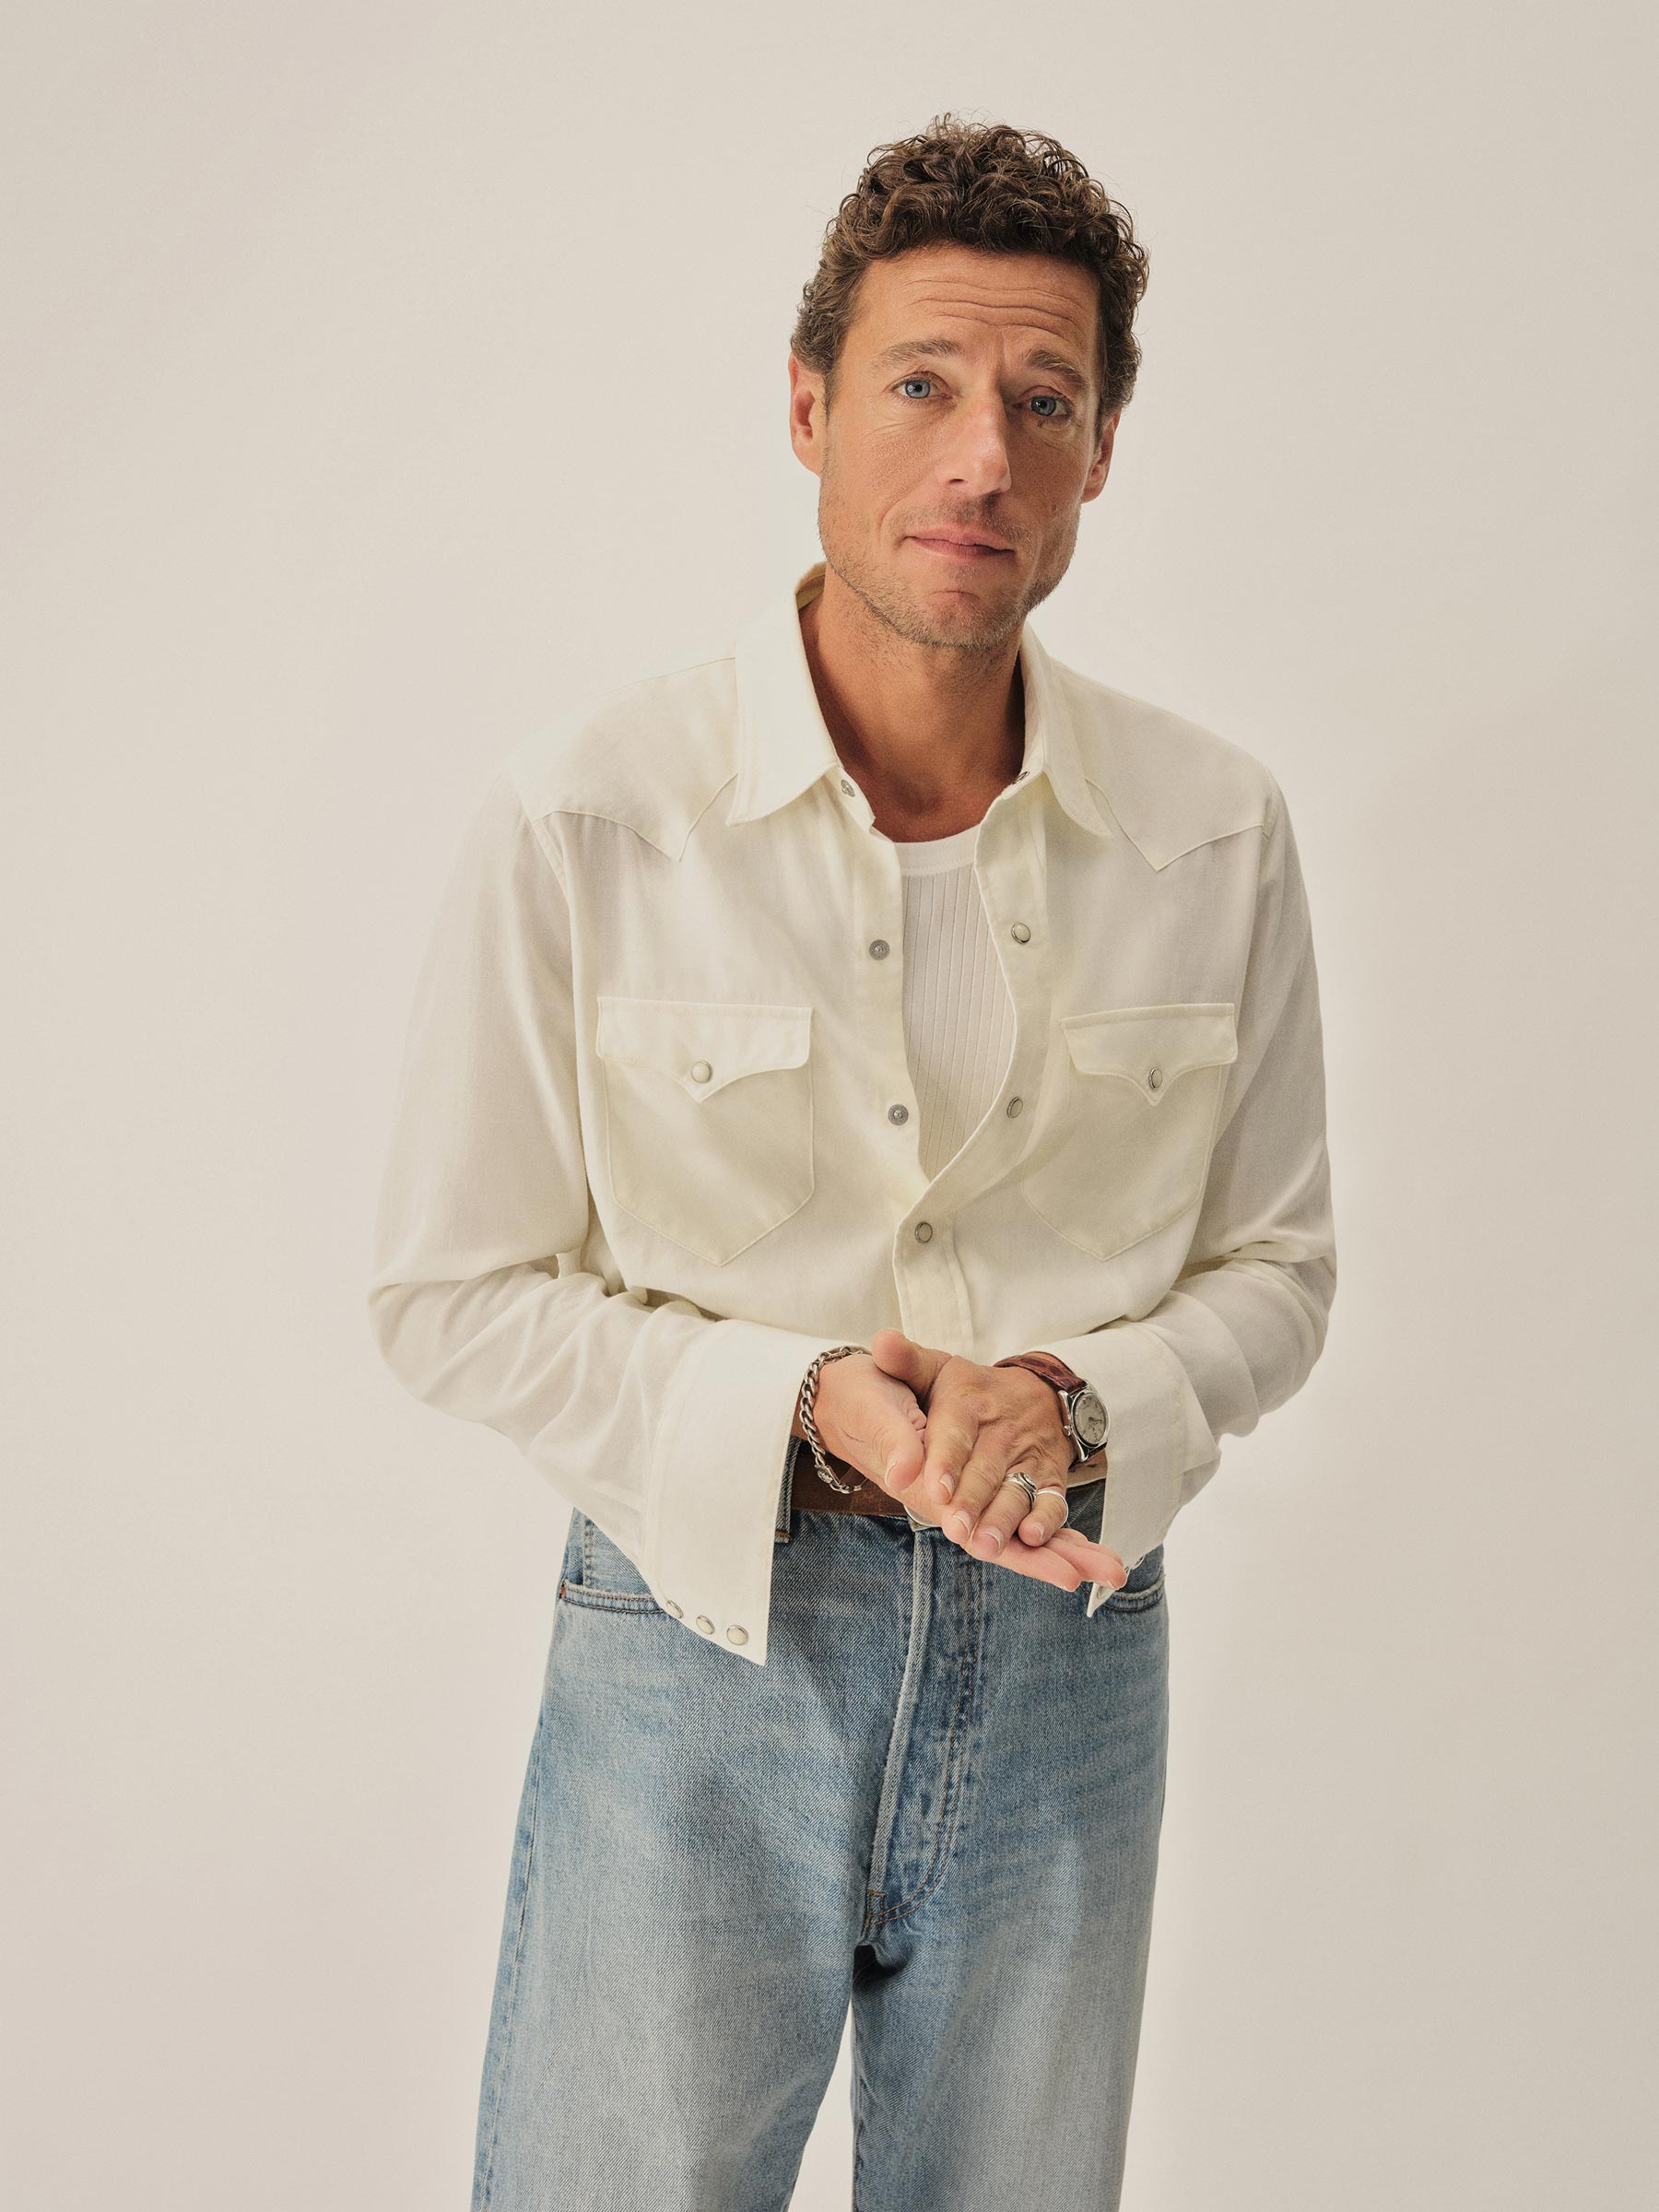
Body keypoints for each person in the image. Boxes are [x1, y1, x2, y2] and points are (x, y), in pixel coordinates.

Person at [367, 111, 1336, 2212]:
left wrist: (1077, 1402)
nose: (982, 455)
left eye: (1043, 401)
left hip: (1073, 1648)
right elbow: (449, 1294)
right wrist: (799, 1399)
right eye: (921, 385)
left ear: (1100, 454)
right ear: (808, 409)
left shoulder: (1216, 831)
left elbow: (1279, 1271)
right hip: (699, 1632)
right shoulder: (590, 818)